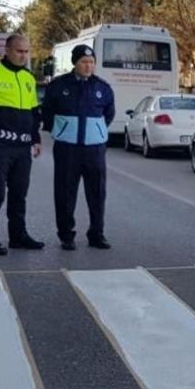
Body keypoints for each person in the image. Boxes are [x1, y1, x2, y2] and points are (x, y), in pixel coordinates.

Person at [0, 34, 45, 255]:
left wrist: (36, 139)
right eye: (19, 51)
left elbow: (34, 112)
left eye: (26, 52)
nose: (23, 55)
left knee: (19, 193)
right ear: (8, 50)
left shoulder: (28, 77)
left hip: (22, 148)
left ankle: (18, 235)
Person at [42, 44, 116, 251]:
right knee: (65, 192)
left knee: (97, 193)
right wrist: (60, 129)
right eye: (84, 62)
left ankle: (97, 234)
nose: (88, 66)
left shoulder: (103, 88)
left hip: (94, 149)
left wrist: (97, 133)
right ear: (75, 63)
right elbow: (47, 111)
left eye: (91, 62)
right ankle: (67, 235)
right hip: (67, 148)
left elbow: (109, 114)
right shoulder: (59, 85)